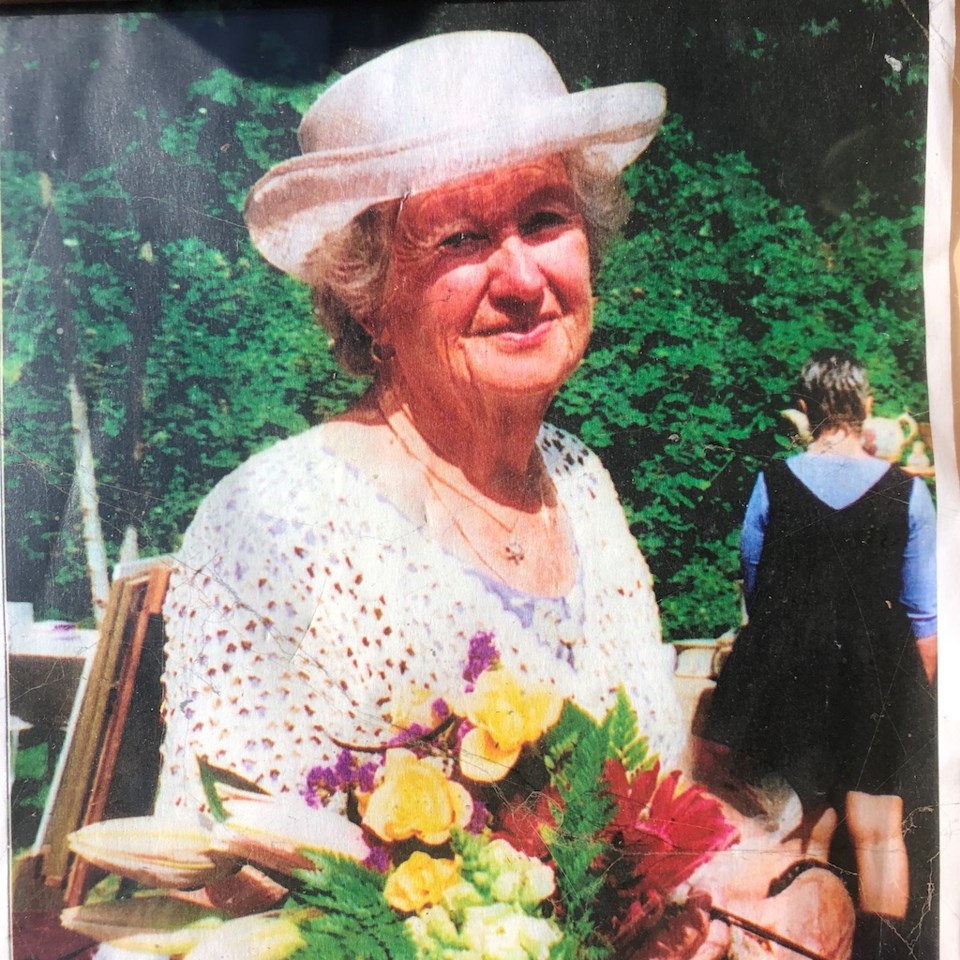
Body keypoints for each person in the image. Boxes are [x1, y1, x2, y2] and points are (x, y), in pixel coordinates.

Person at [153, 33, 854, 959]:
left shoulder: (581, 483)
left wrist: (772, 888)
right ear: (368, 297)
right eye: (462, 238)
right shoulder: (277, 523)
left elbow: (650, 807)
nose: (523, 278)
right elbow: (220, 909)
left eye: (544, 219)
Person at [703, 349, 938, 924]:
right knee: (880, 837)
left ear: (805, 411)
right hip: (878, 679)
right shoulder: (910, 494)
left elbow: (759, 595)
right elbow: (925, 621)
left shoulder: (770, 484)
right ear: (868, 407)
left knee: (802, 835)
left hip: (792, 676)